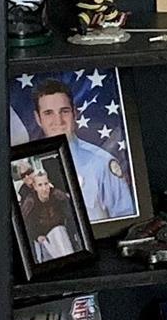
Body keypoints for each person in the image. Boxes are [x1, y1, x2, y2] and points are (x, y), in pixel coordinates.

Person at [21, 76, 137, 223]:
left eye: (64, 111)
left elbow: (126, 220)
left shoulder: (101, 162)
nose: (58, 121)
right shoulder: (28, 161)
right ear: (38, 118)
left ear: (75, 113)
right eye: (48, 113)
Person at [15, 160, 82, 265]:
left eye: (29, 172)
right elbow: (26, 223)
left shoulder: (57, 195)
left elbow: (70, 214)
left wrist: (71, 232)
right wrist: (37, 236)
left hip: (62, 232)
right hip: (44, 238)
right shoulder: (28, 200)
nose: (44, 188)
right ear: (35, 187)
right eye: (23, 175)